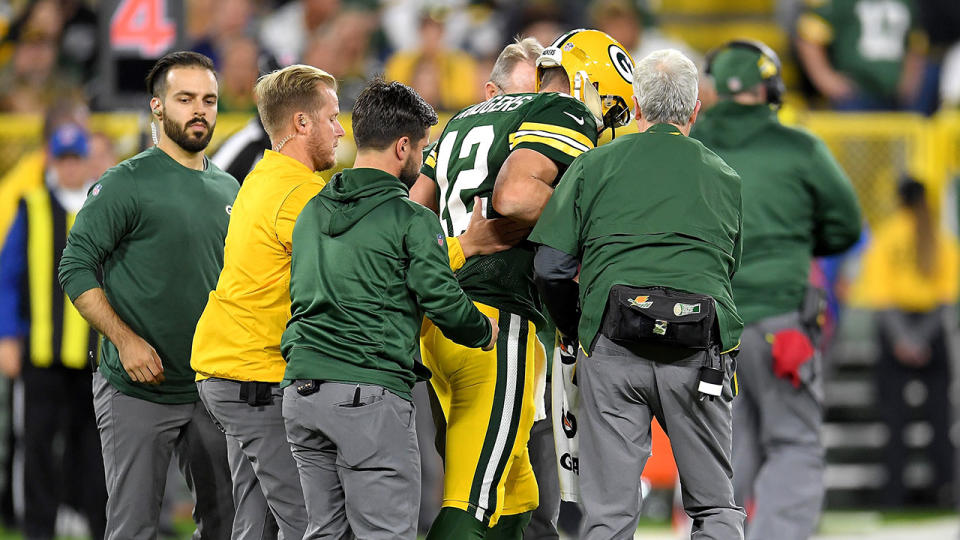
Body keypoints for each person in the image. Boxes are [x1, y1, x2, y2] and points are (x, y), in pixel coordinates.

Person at [409, 28, 636, 539]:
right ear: (588, 82)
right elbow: (514, 194)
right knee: (472, 496)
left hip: (439, 313)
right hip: (494, 319)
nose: (606, 121)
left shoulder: (463, 119)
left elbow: (412, 213)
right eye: (611, 107)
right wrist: (587, 230)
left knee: (518, 492)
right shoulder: (563, 111)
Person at [530, 48, 745, 539]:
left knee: (608, 514)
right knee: (715, 507)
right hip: (698, 350)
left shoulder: (594, 165)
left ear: (637, 105)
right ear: (695, 110)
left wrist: (576, 327)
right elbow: (726, 267)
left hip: (613, 340)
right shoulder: (725, 177)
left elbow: (551, 267)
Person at [280, 79, 497, 539]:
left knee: (324, 533)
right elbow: (442, 302)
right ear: (403, 146)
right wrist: (484, 328)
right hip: (367, 393)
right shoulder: (411, 220)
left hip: (302, 394)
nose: (421, 162)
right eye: (420, 149)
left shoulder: (312, 211)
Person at [57, 51, 237, 540]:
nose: (199, 110)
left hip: (209, 387)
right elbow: (73, 267)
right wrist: (126, 339)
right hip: (137, 388)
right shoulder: (124, 183)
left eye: (208, 100)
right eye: (185, 99)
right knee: (133, 527)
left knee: (226, 524)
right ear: (157, 107)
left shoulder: (230, 188)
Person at [692, 40, 863, 539]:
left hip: (708, 329)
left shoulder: (692, 147)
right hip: (783, 323)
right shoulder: (800, 147)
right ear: (770, 86)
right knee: (795, 443)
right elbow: (846, 227)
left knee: (723, 450)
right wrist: (800, 238)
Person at [191, 64, 345, 540]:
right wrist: (462, 247)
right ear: (302, 123)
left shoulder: (263, 177)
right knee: (312, 522)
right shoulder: (296, 192)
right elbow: (364, 262)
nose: (341, 130)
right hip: (254, 378)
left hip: (236, 372)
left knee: (257, 524)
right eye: (333, 117)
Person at [0, 124, 107, 540]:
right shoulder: (32, 207)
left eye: (74, 159)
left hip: (94, 353)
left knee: (96, 451)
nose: (68, 168)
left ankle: (98, 526)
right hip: (41, 353)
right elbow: (8, 277)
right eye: (61, 160)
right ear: (52, 162)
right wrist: (7, 335)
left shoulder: (104, 207)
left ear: (85, 161)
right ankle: (38, 530)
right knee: (38, 447)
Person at [853, 177, 957, 507]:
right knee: (940, 418)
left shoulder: (885, 236)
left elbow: (882, 300)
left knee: (894, 420)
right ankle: (947, 490)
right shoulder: (941, 239)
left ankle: (893, 495)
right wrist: (921, 339)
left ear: (899, 200)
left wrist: (903, 340)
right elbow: (945, 302)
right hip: (931, 330)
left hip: (895, 331)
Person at [795, 0, 926, 110]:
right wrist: (825, 78)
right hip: (854, 93)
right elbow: (809, 37)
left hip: (894, 95)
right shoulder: (842, 3)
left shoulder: (906, 3)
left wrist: (910, 78)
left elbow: (915, 44)